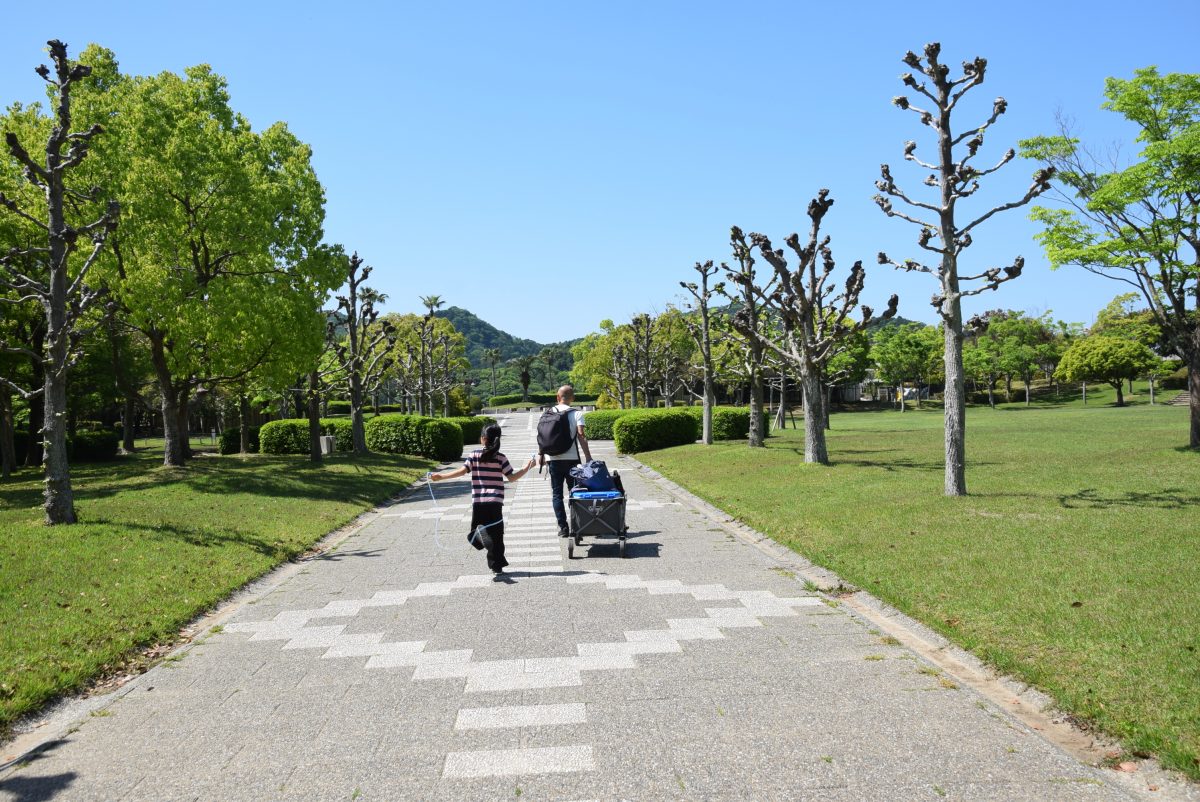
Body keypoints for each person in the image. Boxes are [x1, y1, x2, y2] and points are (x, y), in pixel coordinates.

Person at [430, 423, 534, 576]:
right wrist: (527, 467)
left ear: (483, 439)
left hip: (479, 502)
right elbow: (511, 478)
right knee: (497, 535)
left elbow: (461, 472)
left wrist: (441, 477)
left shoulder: (474, 455)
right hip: (495, 502)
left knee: (475, 532)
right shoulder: (501, 458)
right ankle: (496, 566)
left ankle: (480, 537)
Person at [541, 385, 592, 537]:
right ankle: (577, 526)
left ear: (557, 397)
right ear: (573, 398)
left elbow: (543, 437)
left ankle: (563, 528)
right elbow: (581, 436)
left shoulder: (547, 413)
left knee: (557, 495)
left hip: (553, 460)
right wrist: (588, 457)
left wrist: (541, 455)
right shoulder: (576, 414)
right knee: (575, 493)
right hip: (572, 460)